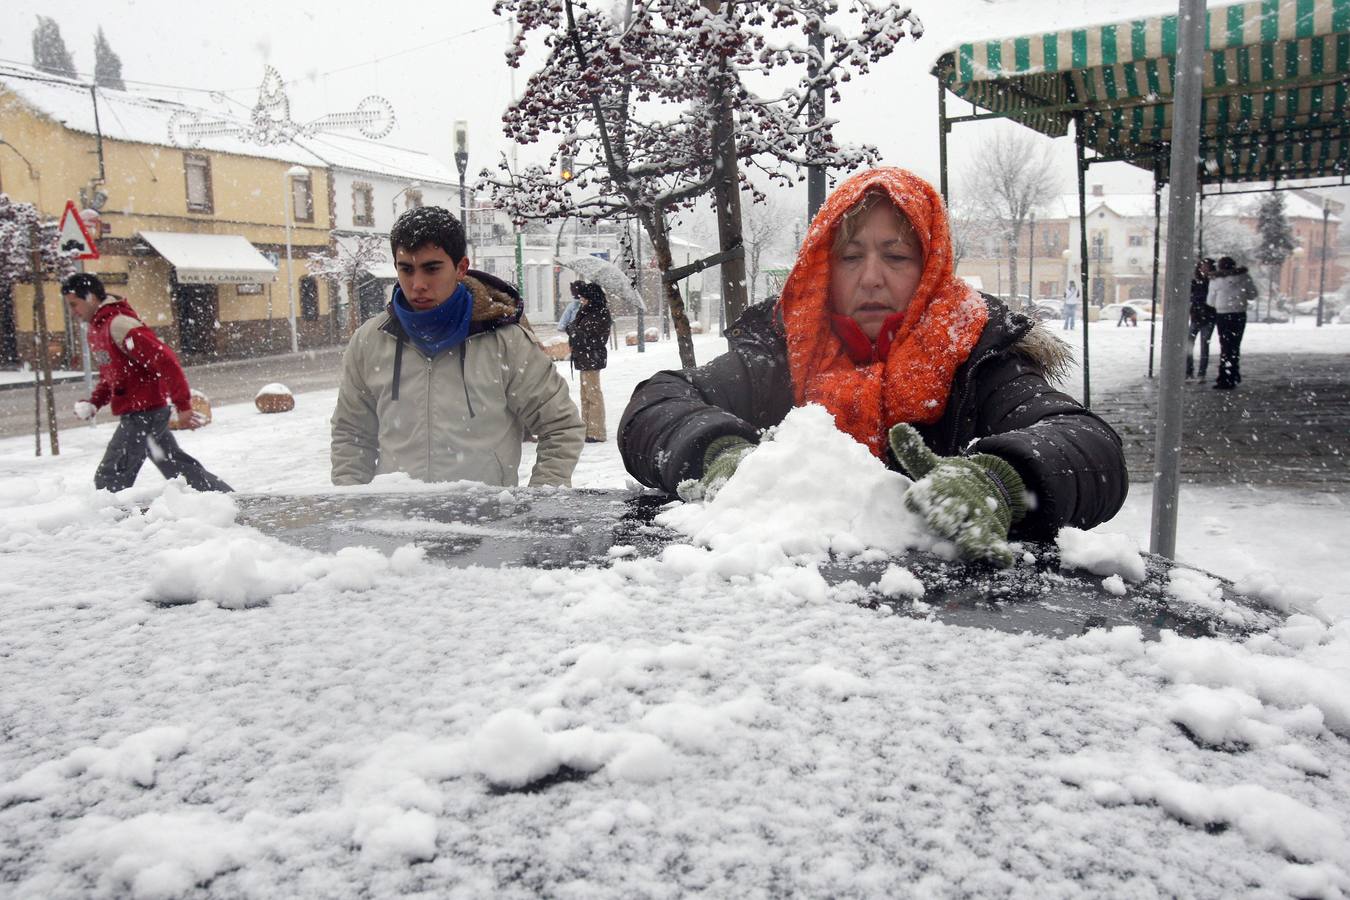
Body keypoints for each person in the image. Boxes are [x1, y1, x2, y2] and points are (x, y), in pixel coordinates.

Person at [619, 168, 1128, 566]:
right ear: (823, 268)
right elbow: (656, 405)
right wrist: (718, 454)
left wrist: (1002, 482)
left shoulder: (980, 357)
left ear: (930, 268)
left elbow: (1089, 446)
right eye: (850, 256)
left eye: (896, 256)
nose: (871, 279)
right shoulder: (779, 353)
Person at [331, 206, 584, 486]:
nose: (417, 284)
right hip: (397, 522)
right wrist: (354, 508)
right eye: (406, 269)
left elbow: (560, 426)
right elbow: (351, 435)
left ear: (461, 267)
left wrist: (541, 503)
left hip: (487, 524)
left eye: (432, 269)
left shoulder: (505, 342)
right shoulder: (371, 341)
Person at [61, 273, 233, 494]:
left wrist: (183, 405)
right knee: (174, 465)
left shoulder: (119, 324)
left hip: (143, 413)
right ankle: (219, 497)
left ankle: (112, 518)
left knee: (110, 477)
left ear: (92, 297)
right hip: (143, 412)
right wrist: (95, 402)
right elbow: (112, 375)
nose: (73, 311)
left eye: (75, 304)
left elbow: (166, 361)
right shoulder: (98, 329)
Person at [564, 280, 613, 443]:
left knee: (593, 395)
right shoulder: (585, 311)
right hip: (584, 357)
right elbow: (573, 328)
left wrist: (574, 332)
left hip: (592, 357)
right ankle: (587, 429)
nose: (581, 300)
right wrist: (573, 330)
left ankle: (597, 431)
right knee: (585, 395)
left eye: (584, 297)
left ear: (591, 298)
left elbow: (591, 338)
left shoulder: (600, 313)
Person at [1207, 256, 1257, 390]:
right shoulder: (1244, 277)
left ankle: (1224, 376)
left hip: (1223, 315)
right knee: (1235, 345)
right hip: (1239, 314)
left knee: (1225, 346)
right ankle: (1233, 374)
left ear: (1220, 267)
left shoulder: (1215, 281)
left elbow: (1210, 301)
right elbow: (1253, 294)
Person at [1186, 258, 1217, 380]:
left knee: (1204, 345)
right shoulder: (1195, 282)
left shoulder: (1212, 282)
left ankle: (1200, 372)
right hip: (1197, 316)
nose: (1204, 269)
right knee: (1190, 344)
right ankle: (1190, 371)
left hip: (1208, 316)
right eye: (1202, 266)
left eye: (1206, 266)